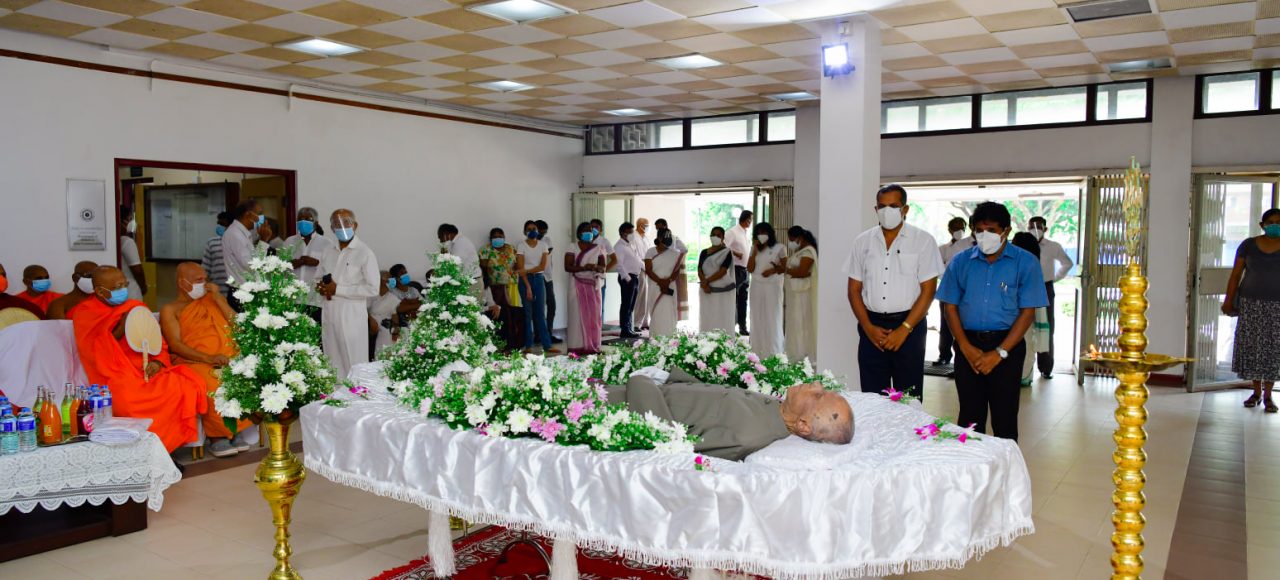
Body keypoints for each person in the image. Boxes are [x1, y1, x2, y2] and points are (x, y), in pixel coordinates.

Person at [937, 202, 1048, 440]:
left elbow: (1027, 313)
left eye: (991, 230)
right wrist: (965, 347)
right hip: (968, 344)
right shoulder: (960, 262)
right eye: (979, 230)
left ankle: (1005, 465)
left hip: (1007, 345)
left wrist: (1000, 353)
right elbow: (950, 307)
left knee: (1004, 418)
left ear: (1006, 231)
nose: (984, 235)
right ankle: (971, 463)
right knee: (969, 418)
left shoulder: (1025, 262)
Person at [72, 266, 208, 452]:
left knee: (180, 387)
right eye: (117, 287)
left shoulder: (135, 307)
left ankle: (164, 451)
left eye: (124, 284)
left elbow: (157, 341)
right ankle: (142, 451)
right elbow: (94, 351)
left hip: (146, 367)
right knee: (128, 400)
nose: (123, 290)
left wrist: (157, 362)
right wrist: (123, 324)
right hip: (113, 372)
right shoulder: (85, 312)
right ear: (99, 291)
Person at [605, 375, 852, 461]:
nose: (816, 384)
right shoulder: (774, 411)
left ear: (803, 425)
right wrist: (674, 376)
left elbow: (668, 440)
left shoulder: (746, 435)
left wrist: (642, 381)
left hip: (616, 406)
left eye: (819, 395)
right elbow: (713, 402)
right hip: (641, 390)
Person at [845, 184, 944, 400]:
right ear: (875, 209)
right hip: (872, 327)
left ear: (905, 209)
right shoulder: (863, 242)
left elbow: (928, 290)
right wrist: (868, 327)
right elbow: (853, 290)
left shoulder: (923, 240)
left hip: (910, 326)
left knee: (908, 397)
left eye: (893, 206)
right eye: (882, 206)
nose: (886, 211)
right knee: (872, 397)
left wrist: (904, 329)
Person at [159, 262, 252, 458]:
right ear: (182, 283)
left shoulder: (213, 300)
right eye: (198, 280)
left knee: (243, 374)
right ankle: (217, 437)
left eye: (205, 279)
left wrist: (218, 298)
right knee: (212, 382)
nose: (204, 284)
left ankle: (234, 429)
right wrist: (208, 357)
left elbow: (239, 327)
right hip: (193, 360)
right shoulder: (170, 309)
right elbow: (175, 344)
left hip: (226, 358)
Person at [1223, 208, 1280, 413]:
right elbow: (1235, 275)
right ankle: (1255, 392)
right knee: (1253, 347)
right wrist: (1228, 300)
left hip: (1277, 306)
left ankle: (1268, 395)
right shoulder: (1248, 245)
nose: (1275, 225)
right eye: (1271, 222)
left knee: (1273, 349)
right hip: (1251, 305)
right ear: (1262, 225)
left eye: (1279, 222)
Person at [316, 209, 379, 380]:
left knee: (353, 362)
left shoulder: (364, 252)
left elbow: (373, 288)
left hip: (351, 316)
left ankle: (356, 393)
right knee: (332, 360)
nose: (342, 227)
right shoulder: (328, 251)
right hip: (329, 313)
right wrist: (320, 287)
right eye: (337, 224)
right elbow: (317, 277)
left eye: (346, 223)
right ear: (331, 228)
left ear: (355, 225)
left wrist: (338, 289)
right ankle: (335, 394)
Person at [1026, 216, 1073, 379]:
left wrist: (1054, 278)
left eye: (1039, 226)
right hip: (1026, 287)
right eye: (1031, 227)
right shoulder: (1022, 245)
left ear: (1045, 229)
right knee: (1024, 326)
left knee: (1046, 327)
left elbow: (1067, 263)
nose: (1035, 229)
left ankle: (1045, 368)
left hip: (1045, 287)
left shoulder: (1053, 246)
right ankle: (1024, 368)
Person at [1010, 233, 1051, 388]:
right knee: (1024, 344)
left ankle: (1023, 376)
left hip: (1024, 313)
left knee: (1025, 343)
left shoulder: (1029, 266)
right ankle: (1021, 376)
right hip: (1014, 314)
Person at [282, 206, 334, 325]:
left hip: (316, 300)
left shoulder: (326, 244)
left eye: (307, 219)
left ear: (316, 223)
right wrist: (289, 264)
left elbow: (333, 270)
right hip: (292, 300)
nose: (303, 222)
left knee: (316, 334)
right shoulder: (289, 242)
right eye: (300, 219)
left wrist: (317, 263)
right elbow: (279, 268)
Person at [935, 217, 974, 366]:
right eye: (956, 228)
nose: (960, 231)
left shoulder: (970, 245)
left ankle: (962, 357)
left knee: (964, 325)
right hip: (948, 289)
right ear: (950, 230)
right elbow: (938, 270)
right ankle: (944, 355)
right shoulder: (945, 248)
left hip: (967, 291)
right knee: (945, 324)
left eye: (962, 227)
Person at [479, 227, 524, 350]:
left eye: (500, 236)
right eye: (495, 236)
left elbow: (517, 265)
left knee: (514, 314)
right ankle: (501, 344)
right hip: (495, 288)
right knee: (501, 316)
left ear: (504, 237)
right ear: (490, 238)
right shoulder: (485, 250)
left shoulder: (511, 248)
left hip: (512, 285)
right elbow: (483, 270)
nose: (497, 238)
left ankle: (514, 343)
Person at [565, 222, 606, 354]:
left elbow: (602, 267)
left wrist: (596, 268)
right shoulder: (572, 246)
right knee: (576, 317)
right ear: (579, 233)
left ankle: (593, 346)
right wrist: (584, 268)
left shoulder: (598, 248)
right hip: (575, 286)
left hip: (593, 287)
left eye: (591, 230)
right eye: (586, 230)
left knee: (593, 317)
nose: (590, 232)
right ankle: (576, 347)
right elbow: (567, 267)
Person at [747, 222, 787, 356]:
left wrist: (772, 270)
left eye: (764, 232)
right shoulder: (754, 248)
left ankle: (774, 350)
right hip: (757, 285)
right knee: (757, 315)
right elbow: (750, 268)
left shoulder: (780, 248)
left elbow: (785, 267)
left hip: (773, 285)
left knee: (772, 315)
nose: (761, 235)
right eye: (759, 233)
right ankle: (757, 349)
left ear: (770, 233)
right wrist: (754, 252)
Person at [517, 221, 556, 355]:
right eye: (529, 229)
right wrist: (528, 287)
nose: (532, 231)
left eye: (534, 228)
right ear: (524, 232)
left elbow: (542, 267)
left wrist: (527, 271)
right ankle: (528, 345)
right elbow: (520, 269)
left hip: (539, 279)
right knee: (528, 314)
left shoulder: (543, 245)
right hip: (525, 281)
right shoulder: (521, 245)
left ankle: (547, 345)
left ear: (537, 230)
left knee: (540, 313)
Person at [784, 226, 819, 362]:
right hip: (795, 293)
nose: (791, 242)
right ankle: (795, 354)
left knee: (802, 323)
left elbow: (802, 272)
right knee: (795, 323)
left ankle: (803, 355)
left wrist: (785, 270)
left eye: (792, 239)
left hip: (803, 294)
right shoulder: (800, 252)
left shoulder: (808, 252)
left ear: (800, 238)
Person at [223, 200, 264, 312]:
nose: (261, 218)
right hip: (241, 292)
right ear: (248, 214)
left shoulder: (243, 233)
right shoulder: (235, 234)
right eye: (259, 213)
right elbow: (250, 264)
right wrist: (264, 242)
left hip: (248, 290)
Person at [644, 228, 681, 338]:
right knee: (656, 310)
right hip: (655, 286)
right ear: (659, 238)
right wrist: (660, 282)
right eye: (665, 238)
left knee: (669, 310)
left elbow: (677, 270)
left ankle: (669, 336)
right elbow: (648, 270)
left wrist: (668, 281)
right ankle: (655, 336)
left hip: (669, 285)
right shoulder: (651, 251)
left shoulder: (674, 253)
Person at [698, 227, 736, 333]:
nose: (715, 237)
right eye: (713, 235)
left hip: (721, 289)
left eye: (718, 235)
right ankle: (706, 339)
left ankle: (723, 339)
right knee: (707, 315)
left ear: (723, 237)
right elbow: (699, 269)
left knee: (721, 315)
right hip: (705, 289)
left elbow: (723, 271)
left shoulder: (727, 252)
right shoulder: (704, 252)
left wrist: (707, 281)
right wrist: (704, 282)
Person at [654, 218, 690, 321]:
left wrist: (676, 260)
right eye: (657, 229)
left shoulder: (674, 238)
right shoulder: (658, 240)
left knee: (671, 293)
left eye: (660, 228)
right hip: (662, 269)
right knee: (661, 293)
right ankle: (663, 317)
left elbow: (684, 250)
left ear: (665, 226)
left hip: (670, 269)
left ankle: (671, 317)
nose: (658, 230)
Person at [725, 210, 753, 335]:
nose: (751, 222)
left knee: (743, 300)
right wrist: (735, 253)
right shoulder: (733, 232)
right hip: (736, 269)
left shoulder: (745, 233)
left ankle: (743, 327)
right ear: (746, 219)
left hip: (745, 271)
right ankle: (730, 326)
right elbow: (723, 246)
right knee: (733, 300)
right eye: (750, 219)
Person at [613, 222, 643, 339]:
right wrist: (628, 278)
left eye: (632, 232)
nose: (632, 234)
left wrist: (649, 268)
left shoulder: (630, 245)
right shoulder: (619, 246)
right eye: (630, 232)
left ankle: (629, 328)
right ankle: (625, 330)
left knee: (631, 305)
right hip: (628, 278)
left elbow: (638, 260)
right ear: (622, 233)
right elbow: (618, 264)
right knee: (626, 304)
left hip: (634, 277)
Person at [437, 224, 482, 297]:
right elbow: (446, 257)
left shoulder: (461, 243)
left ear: (446, 234)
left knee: (474, 304)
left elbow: (454, 264)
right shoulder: (453, 243)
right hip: (466, 281)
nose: (440, 241)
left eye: (440, 237)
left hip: (472, 282)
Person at [534, 220, 559, 341]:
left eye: (544, 232)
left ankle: (548, 333)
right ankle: (538, 335)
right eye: (540, 232)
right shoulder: (526, 243)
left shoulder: (547, 240)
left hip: (547, 277)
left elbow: (546, 252)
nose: (542, 235)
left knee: (551, 306)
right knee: (538, 308)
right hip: (535, 277)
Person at [369, 270, 401, 357]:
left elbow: (394, 314)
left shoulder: (392, 297)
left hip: (387, 321)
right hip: (373, 320)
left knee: (399, 334)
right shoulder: (371, 294)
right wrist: (371, 320)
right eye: (389, 278)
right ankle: (380, 358)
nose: (392, 280)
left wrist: (396, 327)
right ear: (381, 281)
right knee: (385, 333)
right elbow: (364, 310)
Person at [590, 218, 617, 317]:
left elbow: (614, 259)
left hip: (599, 277)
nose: (593, 229)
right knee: (588, 304)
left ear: (601, 230)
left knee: (599, 304)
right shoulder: (585, 240)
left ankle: (599, 325)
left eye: (596, 227)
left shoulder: (604, 241)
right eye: (592, 226)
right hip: (586, 275)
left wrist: (604, 270)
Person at [119, 205, 147, 302]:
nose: (132, 222)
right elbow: (137, 270)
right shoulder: (127, 242)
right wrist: (143, 287)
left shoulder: (115, 242)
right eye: (129, 219)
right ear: (122, 221)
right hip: (131, 291)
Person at [201, 212, 232, 297]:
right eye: (218, 223)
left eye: (222, 224)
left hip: (237, 293)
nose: (219, 226)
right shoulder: (211, 243)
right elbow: (205, 271)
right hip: (216, 292)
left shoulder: (240, 242)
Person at [631, 218, 654, 331]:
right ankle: (636, 323)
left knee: (647, 296)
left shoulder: (646, 238)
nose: (648, 228)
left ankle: (645, 321)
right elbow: (634, 255)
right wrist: (645, 267)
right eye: (646, 225)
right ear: (640, 225)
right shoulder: (633, 237)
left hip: (648, 269)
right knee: (640, 296)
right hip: (639, 269)